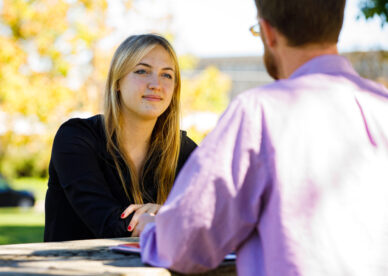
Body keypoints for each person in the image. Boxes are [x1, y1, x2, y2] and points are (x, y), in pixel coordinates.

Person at [136, 0, 388, 275]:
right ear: (337, 25)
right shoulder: (382, 106)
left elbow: (184, 243)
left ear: (268, 32)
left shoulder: (258, 112)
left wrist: (153, 228)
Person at [44, 34, 197, 242]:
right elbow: (108, 223)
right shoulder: (76, 138)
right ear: (117, 82)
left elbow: (219, 215)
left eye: (167, 75)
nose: (156, 84)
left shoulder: (182, 150)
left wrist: (166, 216)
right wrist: (169, 218)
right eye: (142, 71)